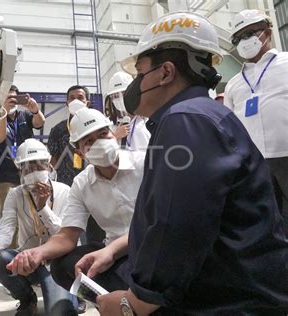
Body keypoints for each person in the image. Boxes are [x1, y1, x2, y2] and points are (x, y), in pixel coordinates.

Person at [89, 11, 288, 315]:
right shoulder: (195, 115)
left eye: (140, 73)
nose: (135, 84)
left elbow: (177, 222)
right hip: (229, 279)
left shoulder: (185, 121)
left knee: (78, 270)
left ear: (166, 73)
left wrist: (136, 303)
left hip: (228, 301)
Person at [7, 108, 145, 298]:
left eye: (103, 134)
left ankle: (131, 301)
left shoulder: (144, 165)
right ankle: (105, 302)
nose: (100, 143)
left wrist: (110, 252)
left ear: (113, 134)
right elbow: (67, 236)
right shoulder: (82, 183)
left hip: (151, 246)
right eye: (88, 141)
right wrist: (37, 253)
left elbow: (157, 223)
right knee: (62, 266)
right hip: (117, 255)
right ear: (79, 150)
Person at [0, 139, 77, 316]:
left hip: (57, 263)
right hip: (28, 261)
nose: (34, 172)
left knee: (60, 312)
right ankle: (27, 299)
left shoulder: (65, 191)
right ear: (20, 171)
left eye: (39, 166)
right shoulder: (16, 195)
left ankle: (73, 292)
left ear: (49, 167)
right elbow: (5, 232)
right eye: (28, 168)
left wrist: (43, 208)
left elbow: (64, 235)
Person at [224, 9, 288, 235]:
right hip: (254, 164)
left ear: (267, 32)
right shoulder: (233, 84)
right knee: (267, 222)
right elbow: (229, 126)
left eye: (249, 33)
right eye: (238, 38)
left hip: (286, 155)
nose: (243, 41)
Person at [48, 85, 105, 244]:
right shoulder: (58, 130)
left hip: (96, 184)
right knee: (72, 229)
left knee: (96, 230)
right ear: (66, 103)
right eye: (71, 98)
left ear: (87, 102)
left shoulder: (99, 125)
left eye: (80, 97)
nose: (75, 101)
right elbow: (53, 159)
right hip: (69, 187)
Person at [0, 85, 45, 230]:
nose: (11, 101)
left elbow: (40, 123)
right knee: (8, 217)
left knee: (32, 213)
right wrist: (3, 111)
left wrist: (35, 110)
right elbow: (1, 138)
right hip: (5, 174)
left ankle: (30, 247)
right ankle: (8, 250)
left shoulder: (24, 115)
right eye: (8, 98)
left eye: (14, 98)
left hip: (30, 171)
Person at [106, 71, 151, 152]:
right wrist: (115, 137)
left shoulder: (147, 121)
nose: (120, 99)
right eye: (115, 96)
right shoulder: (109, 126)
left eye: (123, 94)